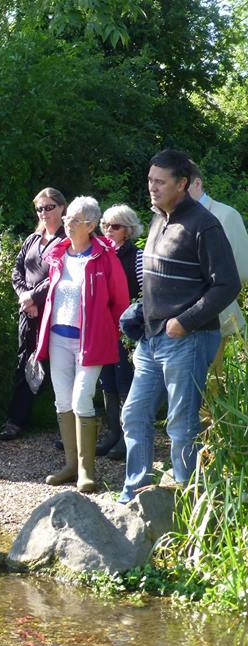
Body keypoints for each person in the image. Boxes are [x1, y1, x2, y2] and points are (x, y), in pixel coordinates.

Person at [119, 149, 241, 503]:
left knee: (181, 425)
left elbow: (228, 284)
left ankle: (187, 503)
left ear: (182, 183)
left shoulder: (204, 225)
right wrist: (143, 311)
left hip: (188, 339)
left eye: (160, 181)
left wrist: (184, 322)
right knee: (134, 415)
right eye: (150, 180)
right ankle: (136, 495)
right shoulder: (159, 218)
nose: (152, 187)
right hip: (152, 339)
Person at [34, 196, 129, 493]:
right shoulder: (59, 254)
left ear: (89, 225)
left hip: (91, 342)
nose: (66, 223)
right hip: (58, 339)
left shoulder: (105, 257)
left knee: (81, 399)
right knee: (62, 401)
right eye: (67, 218)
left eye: (73, 219)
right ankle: (71, 467)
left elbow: (121, 303)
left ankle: (88, 471)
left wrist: (108, 333)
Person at [0, 188, 67, 440]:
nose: (44, 213)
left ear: (61, 207)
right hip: (28, 313)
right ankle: (16, 420)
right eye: (40, 208)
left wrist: (34, 296)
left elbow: (60, 275)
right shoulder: (32, 239)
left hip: (55, 312)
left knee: (59, 366)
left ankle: (65, 426)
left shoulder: (66, 240)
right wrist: (24, 297)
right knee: (24, 364)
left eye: (49, 207)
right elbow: (16, 272)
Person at [95, 204, 145, 459]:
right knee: (108, 382)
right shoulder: (101, 255)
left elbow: (143, 295)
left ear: (128, 229)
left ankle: (128, 438)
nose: (108, 230)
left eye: (115, 226)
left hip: (126, 330)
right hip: (104, 328)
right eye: (105, 225)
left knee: (126, 381)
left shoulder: (138, 257)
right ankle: (112, 433)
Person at [187, 164, 248, 352]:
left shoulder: (226, 215)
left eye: (182, 185)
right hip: (179, 322)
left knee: (214, 379)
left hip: (217, 318)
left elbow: (242, 270)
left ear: (197, 183)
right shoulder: (173, 218)